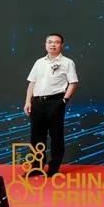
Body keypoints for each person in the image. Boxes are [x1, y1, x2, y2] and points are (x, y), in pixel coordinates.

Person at [23, 33, 79, 177]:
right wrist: (28, 101)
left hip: (56, 102)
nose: (53, 44)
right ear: (45, 44)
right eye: (50, 42)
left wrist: (64, 100)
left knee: (56, 136)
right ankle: (36, 167)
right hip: (37, 102)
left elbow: (73, 83)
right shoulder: (39, 62)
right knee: (36, 137)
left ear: (61, 45)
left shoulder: (67, 62)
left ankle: (54, 168)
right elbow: (32, 83)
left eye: (56, 42)